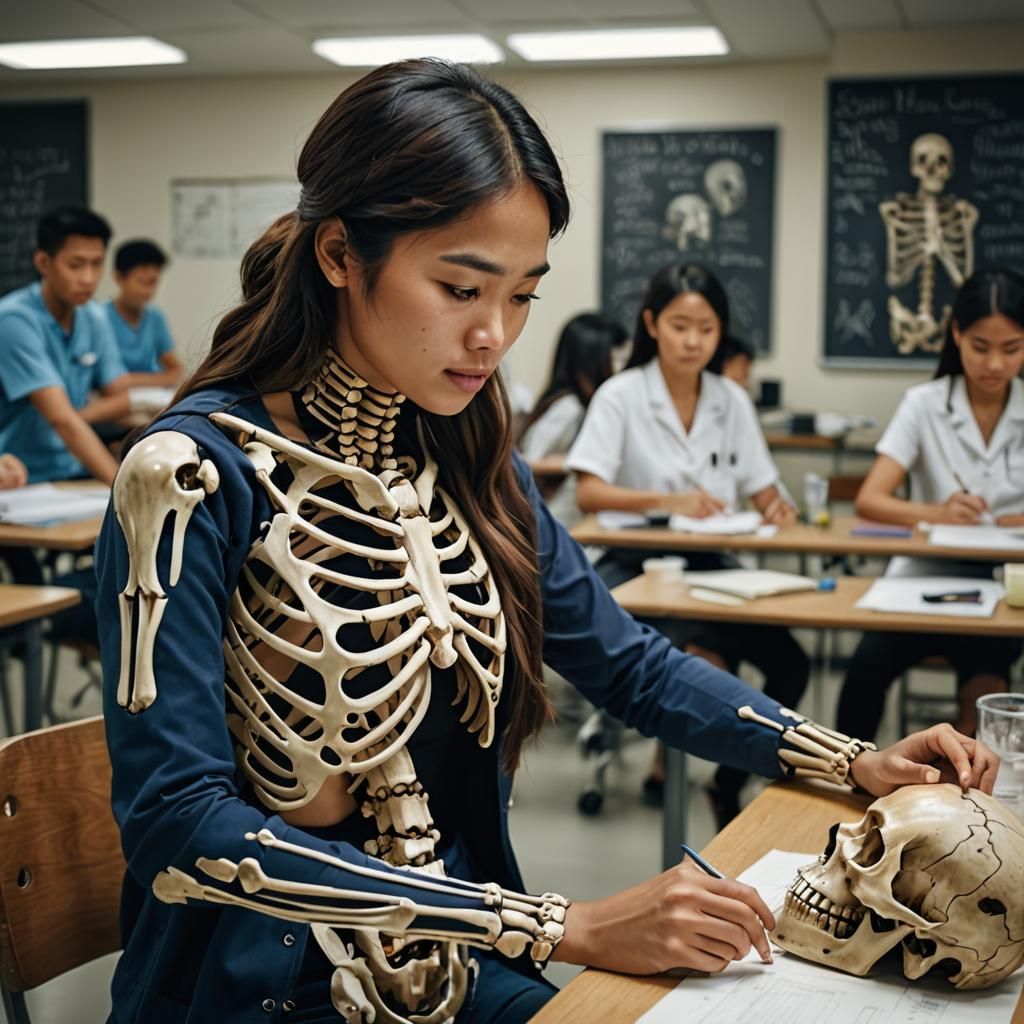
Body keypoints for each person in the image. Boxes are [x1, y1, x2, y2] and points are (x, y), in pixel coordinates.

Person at [94, 61, 998, 1024]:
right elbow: (179, 824)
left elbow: (632, 666)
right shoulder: (189, 477)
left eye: (523, 295)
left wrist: (849, 760)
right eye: (459, 286)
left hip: (461, 956)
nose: (494, 336)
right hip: (257, 985)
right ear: (337, 255)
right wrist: (556, 926)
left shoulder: (468, 458)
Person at [566, 263, 807, 827]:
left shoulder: (731, 400)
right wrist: (667, 501)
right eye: (680, 325)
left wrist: (777, 505)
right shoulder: (621, 395)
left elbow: (763, 485)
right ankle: (672, 769)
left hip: (716, 562)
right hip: (635, 560)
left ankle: (725, 784)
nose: (693, 340)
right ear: (651, 323)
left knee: (790, 663)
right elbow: (590, 490)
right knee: (699, 657)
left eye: (706, 327)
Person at [837, 268, 1024, 742]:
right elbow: (870, 499)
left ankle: (951, 792)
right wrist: (936, 513)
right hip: (921, 578)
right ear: (956, 334)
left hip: (1001, 582)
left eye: (1012, 348)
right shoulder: (923, 404)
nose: (995, 364)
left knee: (988, 688)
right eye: (981, 346)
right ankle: (844, 781)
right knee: (865, 669)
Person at [0, 206, 135, 485]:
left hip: (72, 472)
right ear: (43, 263)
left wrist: (77, 414)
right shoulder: (13, 320)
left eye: (97, 264)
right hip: (20, 479)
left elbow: (122, 398)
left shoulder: (93, 317)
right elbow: (62, 422)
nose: (88, 278)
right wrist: (124, 492)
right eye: (75, 265)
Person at [519, 311, 627, 528]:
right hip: (553, 525)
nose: (619, 368)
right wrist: (575, 462)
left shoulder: (582, 405)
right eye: (614, 359)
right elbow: (523, 462)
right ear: (592, 362)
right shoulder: (568, 407)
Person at [105, 239, 183, 384]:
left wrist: (129, 381)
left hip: (149, 399)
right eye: (141, 282)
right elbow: (109, 380)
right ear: (119, 278)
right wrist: (160, 379)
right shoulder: (99, 318)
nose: (147, 291)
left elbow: (176, 369)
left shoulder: (155, 318)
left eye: (153, 282)